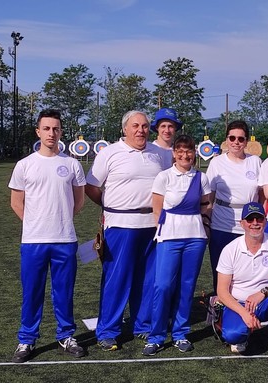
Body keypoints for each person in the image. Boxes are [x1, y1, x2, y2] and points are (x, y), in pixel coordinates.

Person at [85, 110, 173, 351]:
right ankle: (108, 331)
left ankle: (142, 325)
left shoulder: (160, 154)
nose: (140, 130)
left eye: (145, 126)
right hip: (120, 226)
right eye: (135, 126)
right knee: (116, 279)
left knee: (148, 279)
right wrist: (112, 206)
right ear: (125, 129)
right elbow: (91, 187)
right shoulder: (110, 153)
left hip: (152, 226)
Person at [8, 109, 86, 363]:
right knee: (32, 292)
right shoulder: (25, 165)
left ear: (61, 132)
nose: (51, 133)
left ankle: (66, 335)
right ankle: (27, 340)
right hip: (33, 241)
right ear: (38, 132)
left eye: (56, 129)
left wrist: (59, 220)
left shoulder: (71, 164)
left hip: (64, 240)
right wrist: (36, 223)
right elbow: (16, 202)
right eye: (47, 128)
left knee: (64, 292)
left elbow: (79, 201)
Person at [142, 135, 211, 356]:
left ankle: (180, 333)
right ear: (174, 153)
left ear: (194, 153)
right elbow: (157, 209)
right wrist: (163, 232)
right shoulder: (163, 177)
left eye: (189, 150)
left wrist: (203, 230)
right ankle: (157, 336)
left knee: (186, 287)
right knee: (162, 286)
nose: (184, 155)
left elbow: (207, 205)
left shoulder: (202, 178)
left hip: (195, 239)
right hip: (169, 238)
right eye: (180, 151)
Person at [216, 202, 268, 362]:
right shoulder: (230, 249)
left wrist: (263, 293)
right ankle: (243, 333)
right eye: (250, 219)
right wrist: (244, 314)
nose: (255, 223)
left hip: (267, 301)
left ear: (265, 221)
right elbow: (222, 291)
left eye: (259, 219)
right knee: (233, 336)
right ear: (242, 224)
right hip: (239, 304)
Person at [206, 120, 263, 291]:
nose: (236, 142)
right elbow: (209, 198)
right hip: (222, 224)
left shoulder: (256, 162)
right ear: (226, 140)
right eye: (232, 138)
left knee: (247, 272)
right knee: (221, 270)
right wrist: (207, 224)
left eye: (240, 139)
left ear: (246, 141)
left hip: (249, 225)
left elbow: (261, 195)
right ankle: (219, 310)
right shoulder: (216, 163)